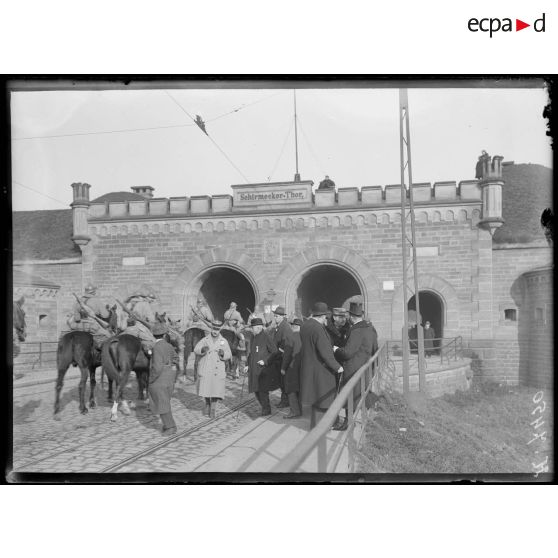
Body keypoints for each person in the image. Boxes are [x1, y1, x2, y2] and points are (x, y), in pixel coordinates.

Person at [333, 302, 378, 431]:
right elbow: (375, 348)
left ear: (352, 317)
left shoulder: (356, 331)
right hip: (365, 365)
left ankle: (348, 423)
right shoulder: (370, 328)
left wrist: (336, 350)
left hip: (353, 368)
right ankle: (368, 412)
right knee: (360, 392)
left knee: (350, 395)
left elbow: (347, 352)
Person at [299, 302, 344, 427]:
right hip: (321, 370)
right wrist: (338, 367)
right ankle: (322, 428)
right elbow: (325, 352)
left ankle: (316, 425)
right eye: (325, 317)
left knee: (315, 398)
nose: (326, 320)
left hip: (309, 368)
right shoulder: (318, 329)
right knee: (324, 398)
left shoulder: (305, 325)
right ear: (322, 316)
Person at [194, 320, 232, 418]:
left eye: (217, 329)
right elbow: (196, 348)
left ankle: (213, 407)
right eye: (214, 329)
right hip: (206, 366)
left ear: (220, 329)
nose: (215, 331)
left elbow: (229, 354)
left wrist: (223, 353)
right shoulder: (205, 339)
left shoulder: (224, 341)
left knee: (216, 388)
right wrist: (202, 349)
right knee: (206, 387)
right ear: (211, 328)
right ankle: (207, 404)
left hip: (217, 368)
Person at [148, 322, 180, 436]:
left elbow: (156, 367)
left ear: (153, 335)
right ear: (164, 335)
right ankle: (169, 425)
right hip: (169, 377)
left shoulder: (156, 347)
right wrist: (170, 366)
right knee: (165, 402)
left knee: (162, 403)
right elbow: (176, 358)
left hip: (159, 379)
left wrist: (150, 379)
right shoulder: (169, 345)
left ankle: (170, 427)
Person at [245, 317, 279, 416]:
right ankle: (264, 407)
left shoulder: (266, 336)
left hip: (262, 370)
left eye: (253, 327)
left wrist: (265, 361)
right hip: (254, 369)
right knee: (256, 390)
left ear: (258, 327)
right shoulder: (253, 337)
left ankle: (266, 409)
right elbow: (251, 353)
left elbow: (274, 351)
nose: (251, 329)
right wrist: (247, 365)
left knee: (262, 390)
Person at [270, 306, 295, 409]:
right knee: (281, 381)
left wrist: (277, 353)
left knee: (283, 381)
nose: (275, 318)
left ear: (282, 317)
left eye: (277, 316)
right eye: (274, 316)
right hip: (278, 357)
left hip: (282, 358)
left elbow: (285, 344)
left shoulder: (285, 327)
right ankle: (285, 400)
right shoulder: (279, 326)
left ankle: (285, 401)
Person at [284, 317, 303, 419]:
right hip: (302, 366)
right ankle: (301, 410)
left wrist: (283, 368)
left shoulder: (290, 336)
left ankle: (294, 411)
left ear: (293, 327)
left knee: (291, 389)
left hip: (292, 366)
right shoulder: (304, 336)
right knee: (300, 388)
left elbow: (287, 354)